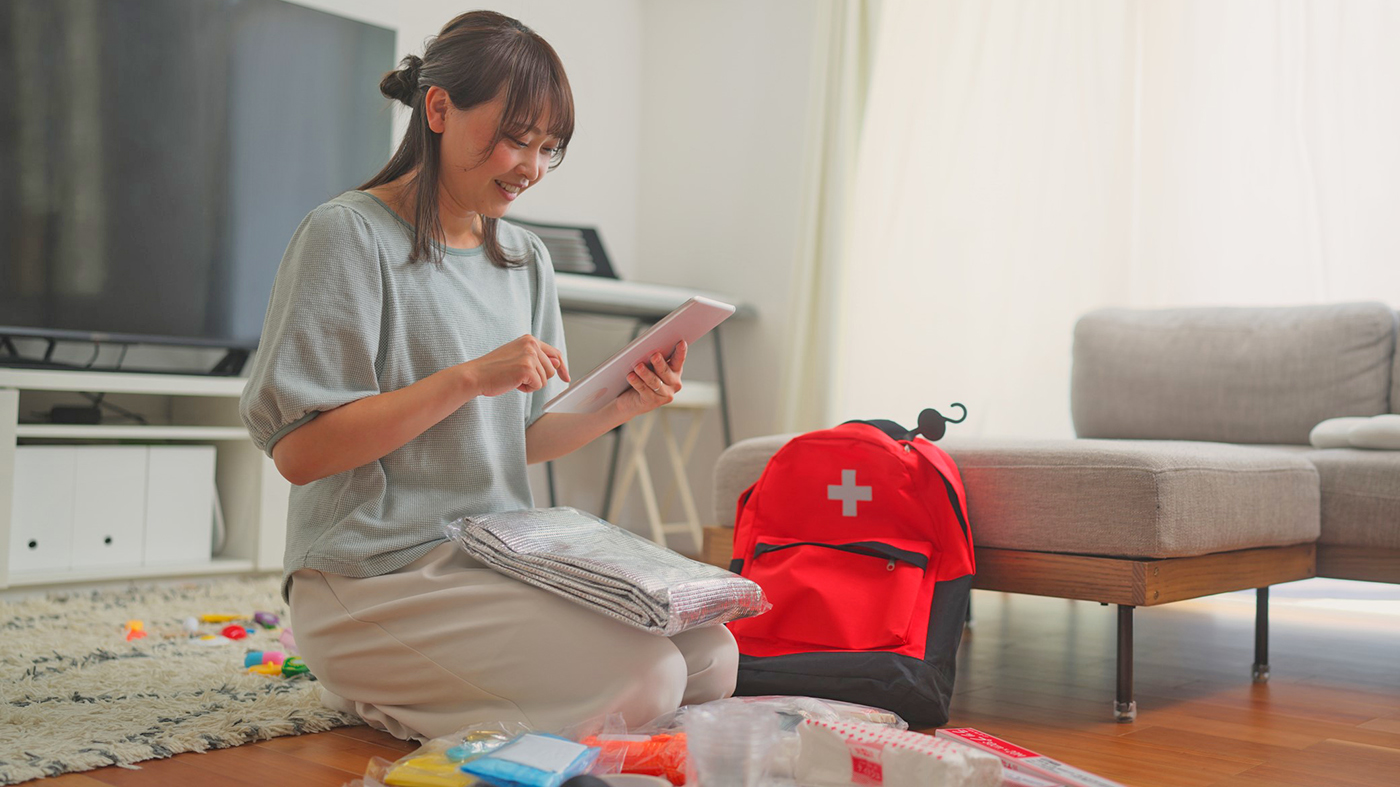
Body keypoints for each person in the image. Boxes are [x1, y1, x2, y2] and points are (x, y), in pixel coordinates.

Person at [239, 10, 738, 742]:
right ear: (438, 109)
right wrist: (466, 378)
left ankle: (480, 696)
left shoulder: (524, 258)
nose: (529, 168)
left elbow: (521, 439)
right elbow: (301, 452)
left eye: (547, 149)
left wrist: (621, 402)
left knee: (709, 656)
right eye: (514, 138)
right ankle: (388, 695)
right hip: (371, 575)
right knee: (651, 678)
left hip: (489, 556)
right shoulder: (346, 236)